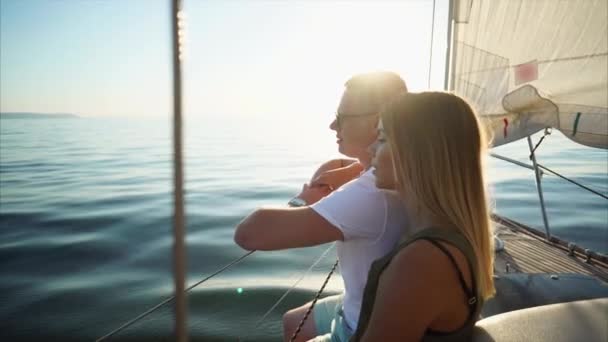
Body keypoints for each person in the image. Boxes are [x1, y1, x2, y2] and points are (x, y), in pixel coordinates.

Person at [234, 71, 408, 342]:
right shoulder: (401, 169)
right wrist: (352, 169)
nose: (332, 126)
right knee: (294, 321)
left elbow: (249, 233)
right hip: (379, 302)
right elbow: (337, 168)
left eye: (341, 118)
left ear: (378, 122)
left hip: (360, 325)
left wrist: (307, 202)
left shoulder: (372, 194)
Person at [351, 92, 495, 341]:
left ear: (417, 153)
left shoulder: (421, 262)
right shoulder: (446, 239)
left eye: (383, 139)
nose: (370, 148)